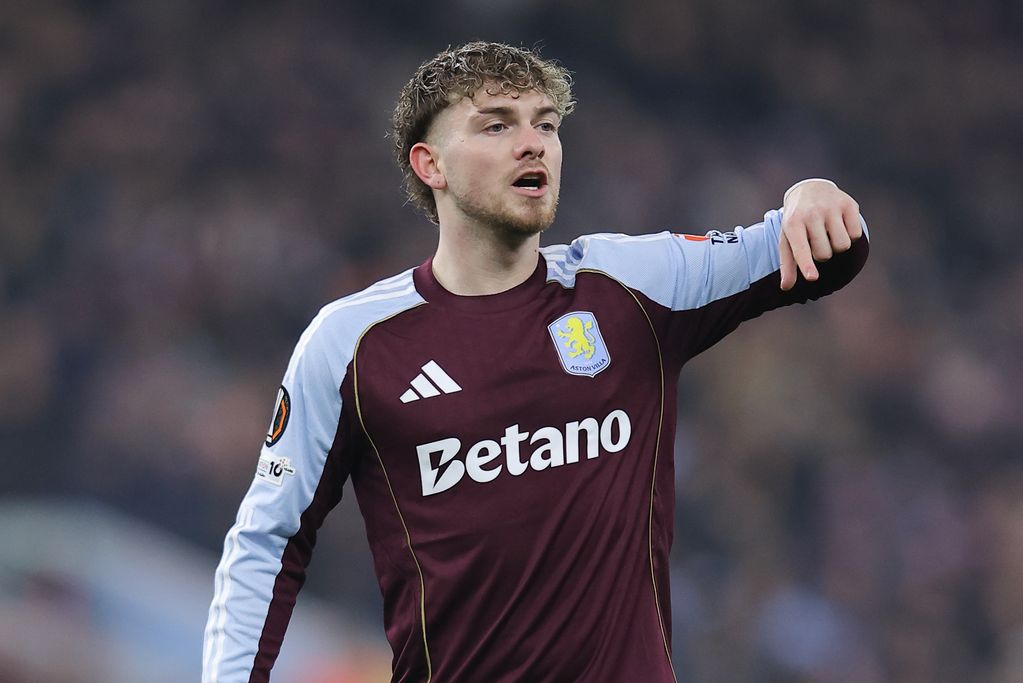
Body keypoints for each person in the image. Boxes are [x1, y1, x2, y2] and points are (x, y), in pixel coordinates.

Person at [202, 41, 868, 683]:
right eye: (495, 125)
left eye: (544, 125)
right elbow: (269, 539)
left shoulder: (630, 284)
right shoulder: (353, 341)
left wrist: (814, 194)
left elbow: (821, 249)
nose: (532, 142)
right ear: (430, 164)